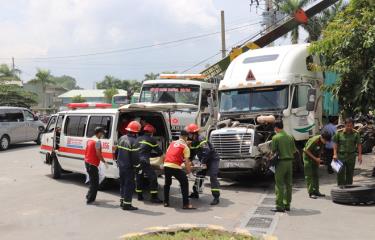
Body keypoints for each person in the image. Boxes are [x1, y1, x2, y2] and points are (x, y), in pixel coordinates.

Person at [185, 123, 221, 205]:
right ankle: (195, 193)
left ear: (193, 133)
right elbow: (192, 152)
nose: (188, 135)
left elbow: (207, 151)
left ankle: (216, 197)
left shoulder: (201, 138)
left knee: (213, 176)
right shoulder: (193, 142)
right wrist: (189, 160)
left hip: (213, 160)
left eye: (189, 133)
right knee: (199, 175)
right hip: (204, 159)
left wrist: (202, 162)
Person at [163, 130, 195, 209]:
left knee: (167, 184)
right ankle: (186, 204)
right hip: (175, 167)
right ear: (186, 137)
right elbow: (187, 162)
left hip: (166, 165)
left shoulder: (172, 143)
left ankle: (166, 202)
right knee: (184, 182)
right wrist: (190, 173)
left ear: (180, 136)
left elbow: (167, 154)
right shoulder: (185, 147)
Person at [271, 120, 297, 212]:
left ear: (276, 128)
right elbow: (294, 151)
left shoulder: (275, 137)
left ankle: (279, 205)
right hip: (289, 163)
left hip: (281, 163)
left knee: (279, 185)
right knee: (289, 184)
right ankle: (287, 204)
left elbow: (273, 151)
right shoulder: (290, 137)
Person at [135, 123, 163, 203]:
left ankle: (139, 196)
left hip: (136, 160)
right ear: (152, 133)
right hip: (144, 161)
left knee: (139, 177)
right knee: (153, 177)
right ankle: (154, 197)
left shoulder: (138, 138)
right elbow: (159, 152)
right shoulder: (151, 140)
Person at [117, 120, 141, 211]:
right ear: (136, 131)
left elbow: (117, 151)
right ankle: (127, 205)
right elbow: (135, 157)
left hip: (121, 165)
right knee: (129, 185)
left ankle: (122, 201)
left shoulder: (122, 138)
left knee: (122, 184)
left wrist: (118, 161)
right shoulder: (135, 141)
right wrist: (138, 167)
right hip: (128, 167)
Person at [333, 118, 362, 186]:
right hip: (340, 155)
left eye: (351, 126)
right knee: (340, 172)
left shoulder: (356, 134)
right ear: (344, 125)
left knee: (350, 173)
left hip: (351, 156)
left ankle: (349, 188)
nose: (349, 127)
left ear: (353, 126)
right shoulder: (338, 133)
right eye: (347, 125)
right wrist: (334, 154)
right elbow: (335, 144)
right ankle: (340, 188)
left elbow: (359, 145)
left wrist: (360, 155)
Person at [303, 131, 332, 199]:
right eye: (325, 140)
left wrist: (318, 159)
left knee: (315, 174)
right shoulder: (314, 140)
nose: (326, 142)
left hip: (315, 157)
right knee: (309, 175)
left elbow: (320, 149)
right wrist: (315, 159)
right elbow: (306, 150)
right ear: (322, 137)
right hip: (308, 158)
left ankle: (316, 191)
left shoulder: (323, 141)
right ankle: (311, 192)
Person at [84, 127, 107, 204]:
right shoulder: (97, 142)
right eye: (102, 133)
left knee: (92, 181)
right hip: (92, 164)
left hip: (87, 162)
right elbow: (98, 154)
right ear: (99, 133)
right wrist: (104, 161)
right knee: (95, 183)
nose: (103, 135)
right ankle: (90, 200)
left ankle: (88, 195)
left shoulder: (90, 140)